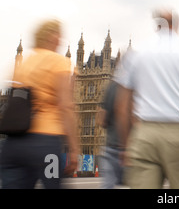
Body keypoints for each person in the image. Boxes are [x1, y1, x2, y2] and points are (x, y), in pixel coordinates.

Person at [115, 8, 179, 189]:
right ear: (176, 25)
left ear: (157, 25)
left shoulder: (136, 55)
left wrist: (126, 145)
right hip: (178, 134)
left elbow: (122, 106)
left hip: (144, 134)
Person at [0, 19, 79, 189]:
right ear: (52, 38)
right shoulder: (59, 62)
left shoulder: (23, 63)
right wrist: (73, 149)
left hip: (14, 145)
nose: (60, 41)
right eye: (59, 36)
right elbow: (65, 105)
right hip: (45, 145)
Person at [97, 79, 133, 189]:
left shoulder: (111, 86)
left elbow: (101, 120)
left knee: (107, 185)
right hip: (130, 147)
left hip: (110, 147)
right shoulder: (137, 85)